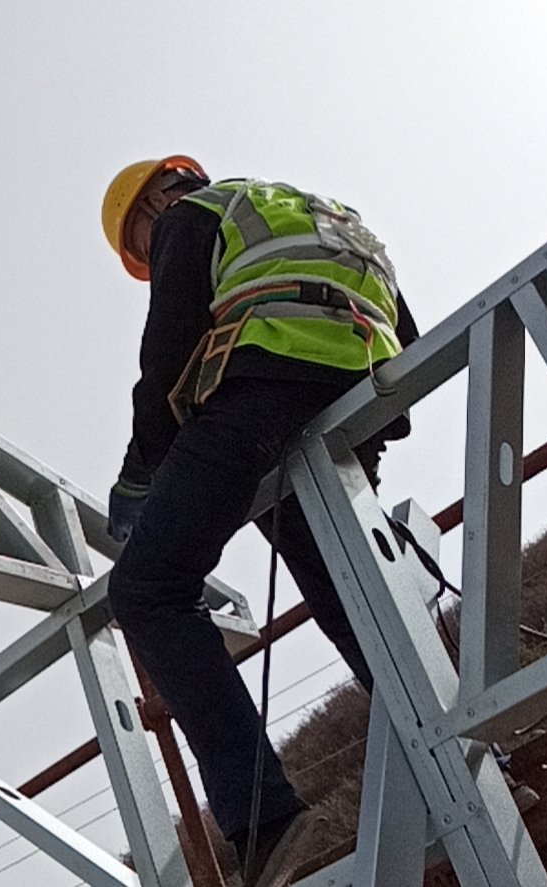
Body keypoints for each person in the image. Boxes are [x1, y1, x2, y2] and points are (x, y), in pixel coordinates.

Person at [98, 157, 418, 887]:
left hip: (266, 380)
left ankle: (262, 817)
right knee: (347, 585)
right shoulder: (326, 213)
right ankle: (468, 749)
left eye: (143, 246)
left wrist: (142, 473)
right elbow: (408, 326)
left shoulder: (191, 214)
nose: (152, 252)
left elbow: (170, 344)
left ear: (152, 203)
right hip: (360, 391)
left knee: (147, 590)